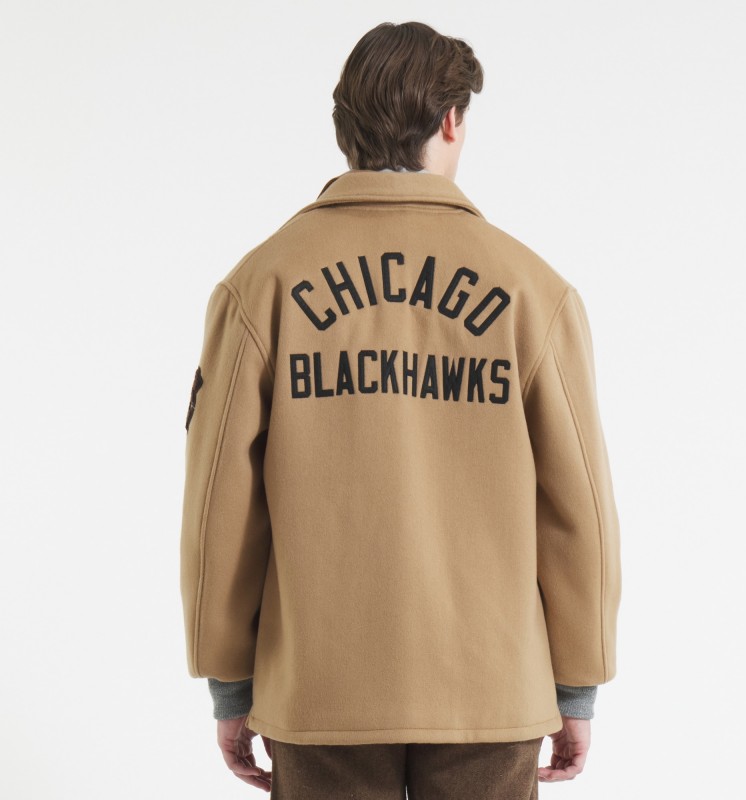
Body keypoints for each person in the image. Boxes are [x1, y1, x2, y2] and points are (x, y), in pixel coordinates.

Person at [179, 20, 621, 799]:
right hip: (491, 689)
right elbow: (578, 505)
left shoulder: (262, 284)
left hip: (319, 688)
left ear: (343, 126)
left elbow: (220, 504)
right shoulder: (531, 290)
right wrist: (577, 684)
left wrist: (230, 681)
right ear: (451, 121)